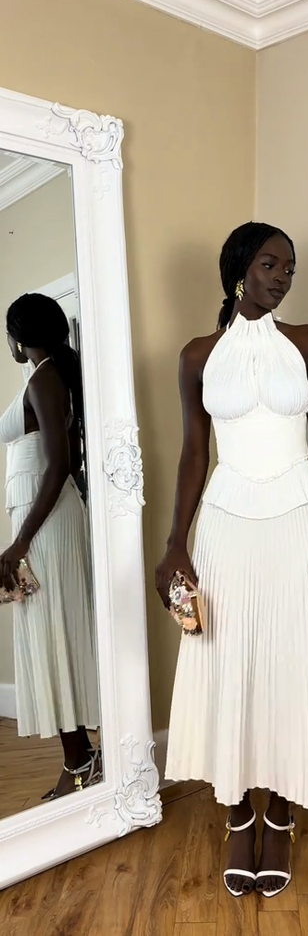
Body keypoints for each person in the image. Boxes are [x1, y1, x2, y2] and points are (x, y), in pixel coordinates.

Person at [156, 223, 308, 899]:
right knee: (228, 659)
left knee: (292, 661)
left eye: (290, 268)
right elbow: (194, 453)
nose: (282, 277)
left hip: (300, 520)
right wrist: (175, 541)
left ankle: (279, 811)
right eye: (271, 264)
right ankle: (237, 812)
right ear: (240, 268)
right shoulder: (196, 355)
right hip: (224, 525)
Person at [0, 293, 100, 799]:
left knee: (52, 632)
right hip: (43, 521)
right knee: (53, 631)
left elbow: (59, 465)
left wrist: (19, 542)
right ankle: (83, 756)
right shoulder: (49, 375)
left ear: (19, 338)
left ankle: (80, 761)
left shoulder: (44, 378)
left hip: (41, 527)